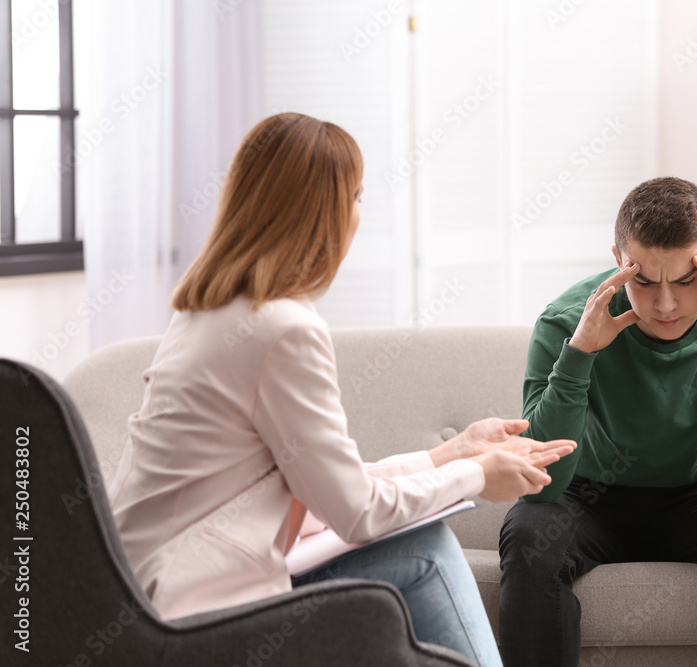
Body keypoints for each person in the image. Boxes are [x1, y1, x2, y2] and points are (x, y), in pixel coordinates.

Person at [107, 112, 576, 667]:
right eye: (354, 198)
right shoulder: (284, 330)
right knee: (423, 552)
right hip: (194, 612)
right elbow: (355, 512)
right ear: (319, 215)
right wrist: (477, 476)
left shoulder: (208, 312)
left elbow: (326, 490)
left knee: (418, 547)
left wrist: (453, 452)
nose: (359, 216)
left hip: (139, 592)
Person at [497, 177, 697, 666]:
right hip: (591, 500)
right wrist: (579, 357)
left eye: (686, 280)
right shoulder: (567, 321)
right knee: (529, 531)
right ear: (618, 261)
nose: (665, 304)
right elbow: (540, 488)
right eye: (644, 282)